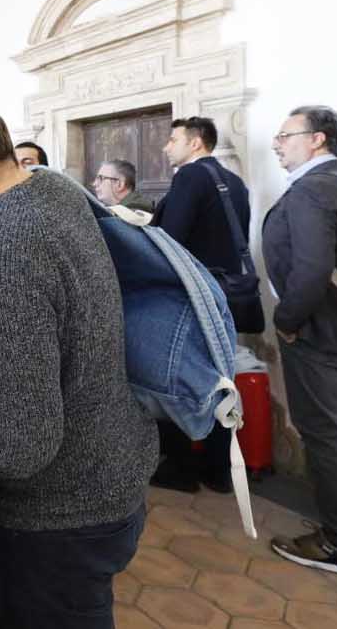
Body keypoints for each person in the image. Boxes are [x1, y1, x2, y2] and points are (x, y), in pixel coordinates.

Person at [0, 84, 155, 629]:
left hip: (56, 515)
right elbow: (63, 314)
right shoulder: (51, 192)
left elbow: (22, 444)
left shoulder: (0, 248)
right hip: (111, 473)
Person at [263, 106, 337, 578]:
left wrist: (286, 320)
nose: (276, 143)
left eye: (285, 135)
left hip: (319, 332)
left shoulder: (310, 191)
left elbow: (310, 271)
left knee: (327, 434)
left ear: (318, 140)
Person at [150, 116, 250, 493]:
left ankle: (180, 468)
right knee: (220, 379)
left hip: (190, 296)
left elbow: (170, 241)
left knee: (179, 378)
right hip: (223, 293)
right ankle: (219, 468)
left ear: (195, 144)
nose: (166, 147)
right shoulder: (234, 182)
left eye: (173, 139)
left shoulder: (191, 177)